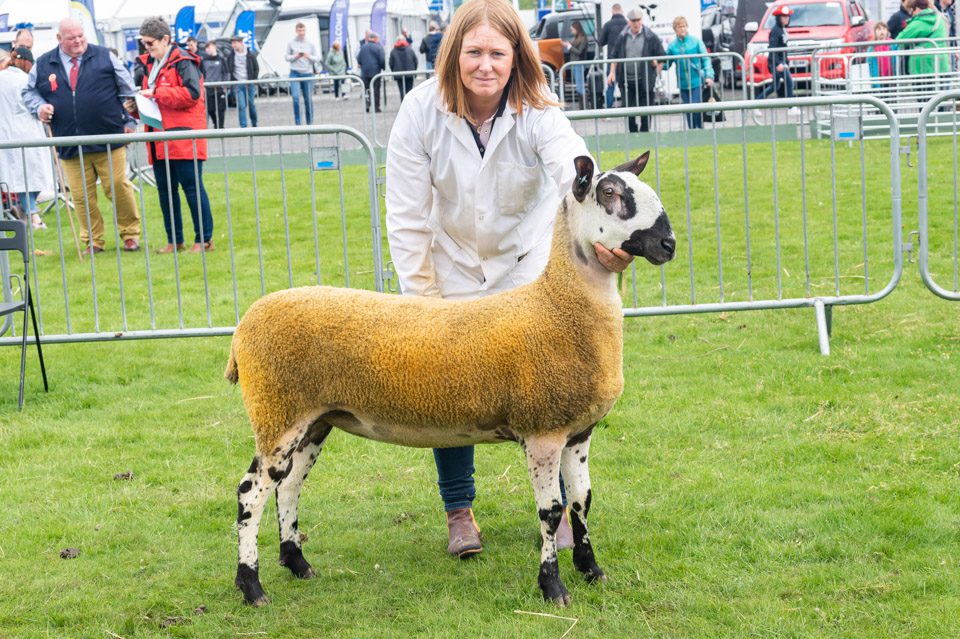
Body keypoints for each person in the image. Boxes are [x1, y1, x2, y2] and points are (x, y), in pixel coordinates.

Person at [385, 0, 634, 558]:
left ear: (516, 56)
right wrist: (422, 300)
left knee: (555, 391)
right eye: (473, 52)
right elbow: (404, 214)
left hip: (528, 273)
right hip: (448, 268)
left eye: (498, 53)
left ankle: (564, 512)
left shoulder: (540, 111)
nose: (485, 65)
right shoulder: (420, 110)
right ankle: (458, 510)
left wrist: (605, 226)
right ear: (454, 54)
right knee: (447, 388)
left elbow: (574, 165)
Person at [22, 17, 142, 254]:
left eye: (81, 36)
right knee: (81, 196)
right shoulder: (45, 64)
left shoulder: (105, 56)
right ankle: (94, 240)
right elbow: (29, 92)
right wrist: (39, 107)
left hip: (110, 138)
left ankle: (130, 234)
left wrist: (130, 120)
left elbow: (128, 91)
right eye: (71, 38)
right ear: (59, 39)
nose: (78, 41)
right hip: (69, 141)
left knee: (118, 186)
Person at [137, 16, 214, 255]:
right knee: (165, 190)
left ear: (165, 40)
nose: (146, 48)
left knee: (191, 188)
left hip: (183, 134)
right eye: (144, 43)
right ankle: (174, 240)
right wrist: (137, 104)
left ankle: (204, 240)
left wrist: (157, 93)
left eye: (150, 43)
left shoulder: (184, 61)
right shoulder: (150, 64)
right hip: (158, 135)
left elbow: (192, 94)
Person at [0, 47, 55, 229]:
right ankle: (33, 216)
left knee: (21, 176)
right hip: (28, 129)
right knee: (32, 175)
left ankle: (26, 211)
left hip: (8, 132)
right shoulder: (23, 78)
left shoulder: (17, 78)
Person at [606, 9, 664, 133]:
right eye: (633, 21)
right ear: (629, 22)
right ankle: (633, 133)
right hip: (626, 81)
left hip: (645, 80)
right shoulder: (622, 36)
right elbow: (614, 56)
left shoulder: (651, 36)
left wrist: (656, 72)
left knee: (646, 110)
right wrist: (611, 73)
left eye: (638, 20)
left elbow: (661, 57)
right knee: (627, 109)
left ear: (642, 20)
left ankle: (645, 133)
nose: (636, 23)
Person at [665, 16, 713, 129]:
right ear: (675, 29)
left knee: (696, 109)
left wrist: (709, 75)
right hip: (683, 85)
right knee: (688, 111)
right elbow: (666, 64)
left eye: (684, 26)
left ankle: (700, 130)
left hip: (696, 82)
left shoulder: (696, 42)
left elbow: (706, 59)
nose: (682, 29)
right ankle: (692, 131)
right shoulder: (672, 46)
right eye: (679, 27)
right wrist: (657, 64)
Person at [897, 0, 950, 80]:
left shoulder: (920, 22)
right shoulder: (938, 18)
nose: (912, 15)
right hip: (941, 65)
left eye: (912, 11)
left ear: (917, 9)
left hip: (923, 68)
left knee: (924, 91)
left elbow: (900, 40)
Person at [760, 5, 795, 100]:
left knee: (774, 87)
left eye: (787, 17)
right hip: (777, 62)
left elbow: (783, 47)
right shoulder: (775, 30)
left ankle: (755, 103)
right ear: (778, 18)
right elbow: (772, 48)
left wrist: (786, 61)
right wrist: (777, 63)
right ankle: (791, 106)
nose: (786, 19)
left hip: (781, 62)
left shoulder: (782, 29)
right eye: (783, 17)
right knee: (789, 82)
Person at [286, 22, 318, 125]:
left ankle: (309, 123)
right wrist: (296, 56)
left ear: (305, 30)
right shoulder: (291, 43)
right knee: (295, 98)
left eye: (303, 30)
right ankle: (298, 122)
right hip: (295, 73)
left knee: (308, 99)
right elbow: (287, 57)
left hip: (308, 73)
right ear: (296, 31)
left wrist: (307, 55)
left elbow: (316, 59)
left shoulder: (310, 43)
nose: (301, 32)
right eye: (299, 30)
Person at [598, 3, 627, 108]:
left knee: (610, 85)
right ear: (621, 10)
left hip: (612, 59)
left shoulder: (608, 25)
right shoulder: (628, 24)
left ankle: (608, 110)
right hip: (625, 60)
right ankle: (627, 108)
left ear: (613, 11)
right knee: (625, 85)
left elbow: (601, 42)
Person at [228, 34, 259, 127]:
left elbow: (256, 68)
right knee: (241, 106)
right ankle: (243, 126)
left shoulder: (250, 54)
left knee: (252, 105)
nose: (233, 45)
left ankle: (254, 124)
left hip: (249, 83)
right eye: (232, 43)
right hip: (238, 83)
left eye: (235, 43)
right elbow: (229, 68)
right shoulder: (231, 55)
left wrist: (253, 80)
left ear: (241, 43)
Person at [357, 31, 385, 113]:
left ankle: (367, 106)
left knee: (366, 90)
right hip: (375, 72)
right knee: (376, 90)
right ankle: (376, 107)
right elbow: (382, 59)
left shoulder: (363, 47)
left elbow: (359, 59)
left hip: (365, 72)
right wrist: (383, 67)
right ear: (375, 39)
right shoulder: (378, 47)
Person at [201, 41, 228, 128]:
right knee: (210, 109)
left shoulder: (221, 59)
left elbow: (226, 73)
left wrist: (225, 85)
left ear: (214, 47)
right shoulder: (204, 60)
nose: (207, 50)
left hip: (219, 88)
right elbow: (201, 73)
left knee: (221, 109)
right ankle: (215, 122)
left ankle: (221, 127)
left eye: (209, 47)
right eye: (206, 48)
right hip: (208, 88)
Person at [563, 20, 588, 109]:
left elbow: (579, 52)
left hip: (579, 64)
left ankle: (584, 107)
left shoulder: (583, 38)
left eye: (573, 29)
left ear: (577, 29)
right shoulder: (576, 38)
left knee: (580, 87)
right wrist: (568, 45)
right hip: (575, 64)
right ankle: (582, 107)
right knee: (578, 86)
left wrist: (569, 46)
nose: (572, 31)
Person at [389, 35, 418, 102]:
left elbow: (391, 63)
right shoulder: (410, 50)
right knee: (410, 90)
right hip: (410, 73)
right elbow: (415, 61)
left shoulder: (393, 51)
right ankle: (410, 104)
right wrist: (414, 70)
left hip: (399, 74)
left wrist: (394, 71)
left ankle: (403, 104)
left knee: (402, 90)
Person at [868, 22, 895, 87]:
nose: (881, 31)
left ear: (887, 31)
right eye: (879, 29)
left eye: (883, 29)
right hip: (878, 76)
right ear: (875, 32)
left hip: (890, 76)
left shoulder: (892, 44)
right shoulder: (872, 46)